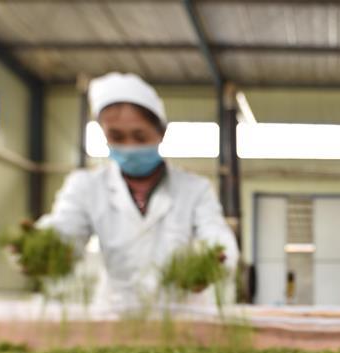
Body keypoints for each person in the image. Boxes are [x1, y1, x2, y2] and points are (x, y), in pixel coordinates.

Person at [34, 72, 239, 313]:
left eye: (140, 136)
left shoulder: (194, 189)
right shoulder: (86, 187)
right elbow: (63, 234)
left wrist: (213, 264)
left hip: (181, 312)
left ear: (161, 132)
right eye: (117, 136)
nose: (129, 146)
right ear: (103, 135)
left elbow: (217, 239)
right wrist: (40, 249)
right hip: (116, 312)